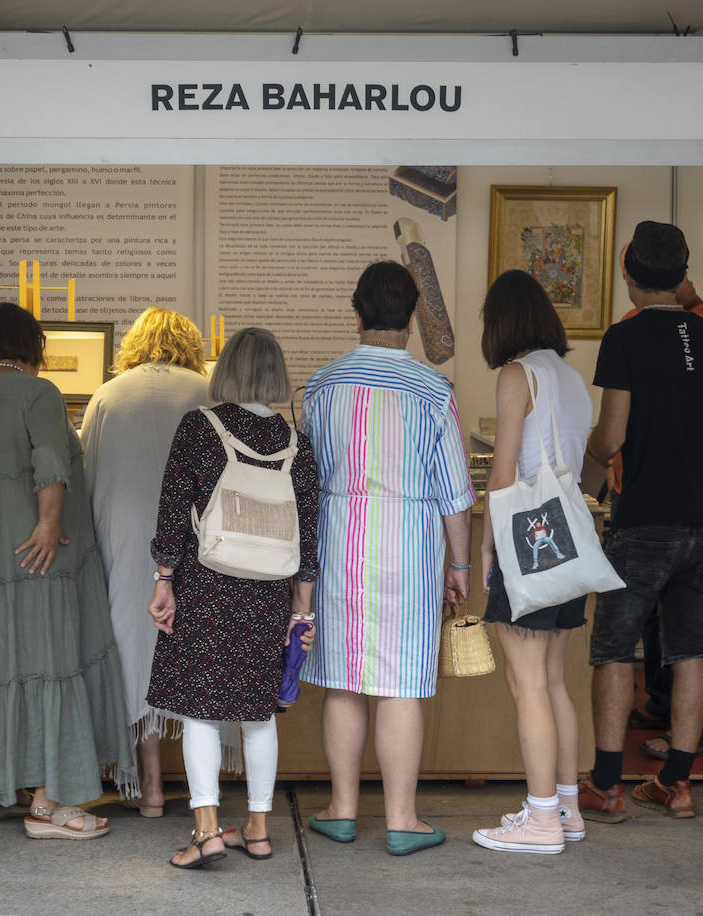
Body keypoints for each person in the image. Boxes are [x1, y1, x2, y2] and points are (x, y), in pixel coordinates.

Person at [300, 261, 476, 857]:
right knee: (400, 684)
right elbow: (455, 493)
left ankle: (342, 810)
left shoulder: (322, 386)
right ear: (411, 319)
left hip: (336, 546)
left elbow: (306, 476)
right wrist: (460, 567)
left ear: (357, 313)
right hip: (409, 553)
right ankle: (403, 820)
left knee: (345, 683)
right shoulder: (433, 391)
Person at [0, 301, 136, 841]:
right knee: (52, 666)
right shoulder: (39, 394)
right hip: (41, 557)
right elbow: (52, 460)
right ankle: (50, 805)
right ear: (29, 344)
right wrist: (50, 523)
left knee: (2, 667)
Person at [579, 221, 703, 822]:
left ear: (628, 273)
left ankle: (605, 784)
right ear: (682, 272)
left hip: (643, 517)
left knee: (615, 649)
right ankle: (676, 783)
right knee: (688, 647)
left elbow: (613, 435)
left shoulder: (622, 340)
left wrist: (594, 451)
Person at [146, 327, 319, 869]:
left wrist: (163, 578)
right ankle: (260, 830)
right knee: (258, 713)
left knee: (201, 711)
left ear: (226, 370)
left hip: (207, 586)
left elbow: (174, 510)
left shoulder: (201, 427)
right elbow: (307, 537)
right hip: (269, 594)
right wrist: (303, 610)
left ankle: (206, 830)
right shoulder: (297, 442)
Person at [469, 270, 592, 856]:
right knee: (553, 682)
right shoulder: (570, 376)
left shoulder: (517, 375)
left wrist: (488, 541)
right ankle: (565, 808)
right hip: (571, 536)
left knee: (526, 686)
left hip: (530, 536)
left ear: (502, 322)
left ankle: (541, 820)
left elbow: (503, 470)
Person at [81, 307, 211, 816]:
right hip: (199, 535)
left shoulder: (108, 395)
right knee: (197, 645)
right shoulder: (204, 392)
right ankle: (203, 791)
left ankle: (149, 785)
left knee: (135, 647)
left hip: (127, 532)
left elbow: (88, 470)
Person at [615, 274, 703, 762]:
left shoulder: (634, 331)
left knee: (622, 639)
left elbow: (613, 432)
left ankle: (609, 779)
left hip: (649, 504)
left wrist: (613, 450)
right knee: (678, 627)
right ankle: (670, 719)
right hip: (698, 505)